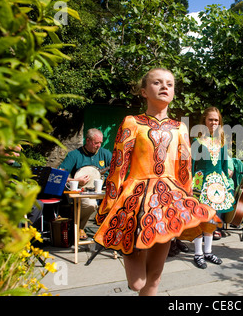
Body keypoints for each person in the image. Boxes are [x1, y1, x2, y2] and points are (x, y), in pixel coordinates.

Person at [93, 68, 217, 295]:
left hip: (169, 200)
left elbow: (185, 169)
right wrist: (109, 204)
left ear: (174, 92)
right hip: (135, 198)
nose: (164, 87)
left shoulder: (180, 128)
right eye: (157, 83)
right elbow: (118, 165)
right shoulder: (132, 122)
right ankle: (127, 250)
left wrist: (186, 203)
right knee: (137, 283)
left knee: (154, 281)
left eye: (169, 84)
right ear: (143, 91)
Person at [190, 107, 235, 268]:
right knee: (199, 217)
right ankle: (197, 253)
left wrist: (227, 183)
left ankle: (208, 251)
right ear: (204, 122)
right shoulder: (197, 142)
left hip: (217, 186)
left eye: (216, 120)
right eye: (211, 120)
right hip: (201, 184)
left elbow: (223, 167)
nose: (214, 123)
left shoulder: (222, 143)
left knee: (211, 218)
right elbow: (192, 165)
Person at [59, 128, 112, 240]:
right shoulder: (74, 155)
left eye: (100, 143)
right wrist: (76, 181)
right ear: (87, 141)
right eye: (96, 143)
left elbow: (116, 170)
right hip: (81, 192)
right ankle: (79, 227)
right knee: (90, 204)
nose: (99, 145)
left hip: (102, 191)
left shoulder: (105, 154)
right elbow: (60, 175)